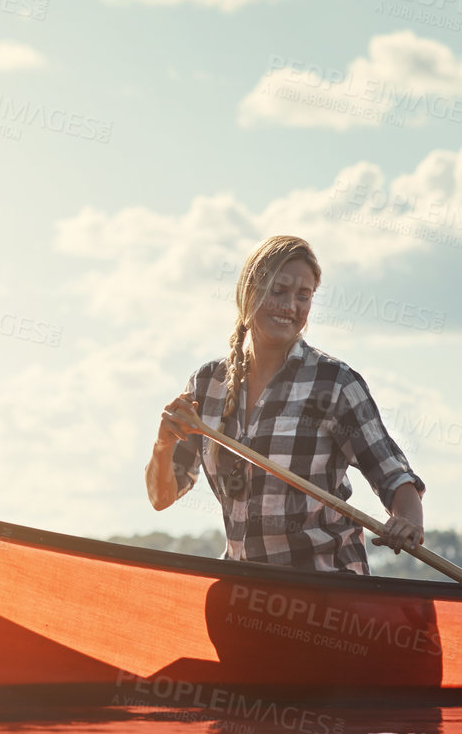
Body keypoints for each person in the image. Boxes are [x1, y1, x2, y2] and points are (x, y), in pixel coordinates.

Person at [147, 235, 425, 574]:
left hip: (324, 588)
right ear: (248, 293)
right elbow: (161, 498)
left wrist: (408, 521)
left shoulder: (334, 382)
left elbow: (395, 477)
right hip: (242, 584)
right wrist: (163, 444)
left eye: (303, 296)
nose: (290, 306)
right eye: (277, 291)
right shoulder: (206, 384)